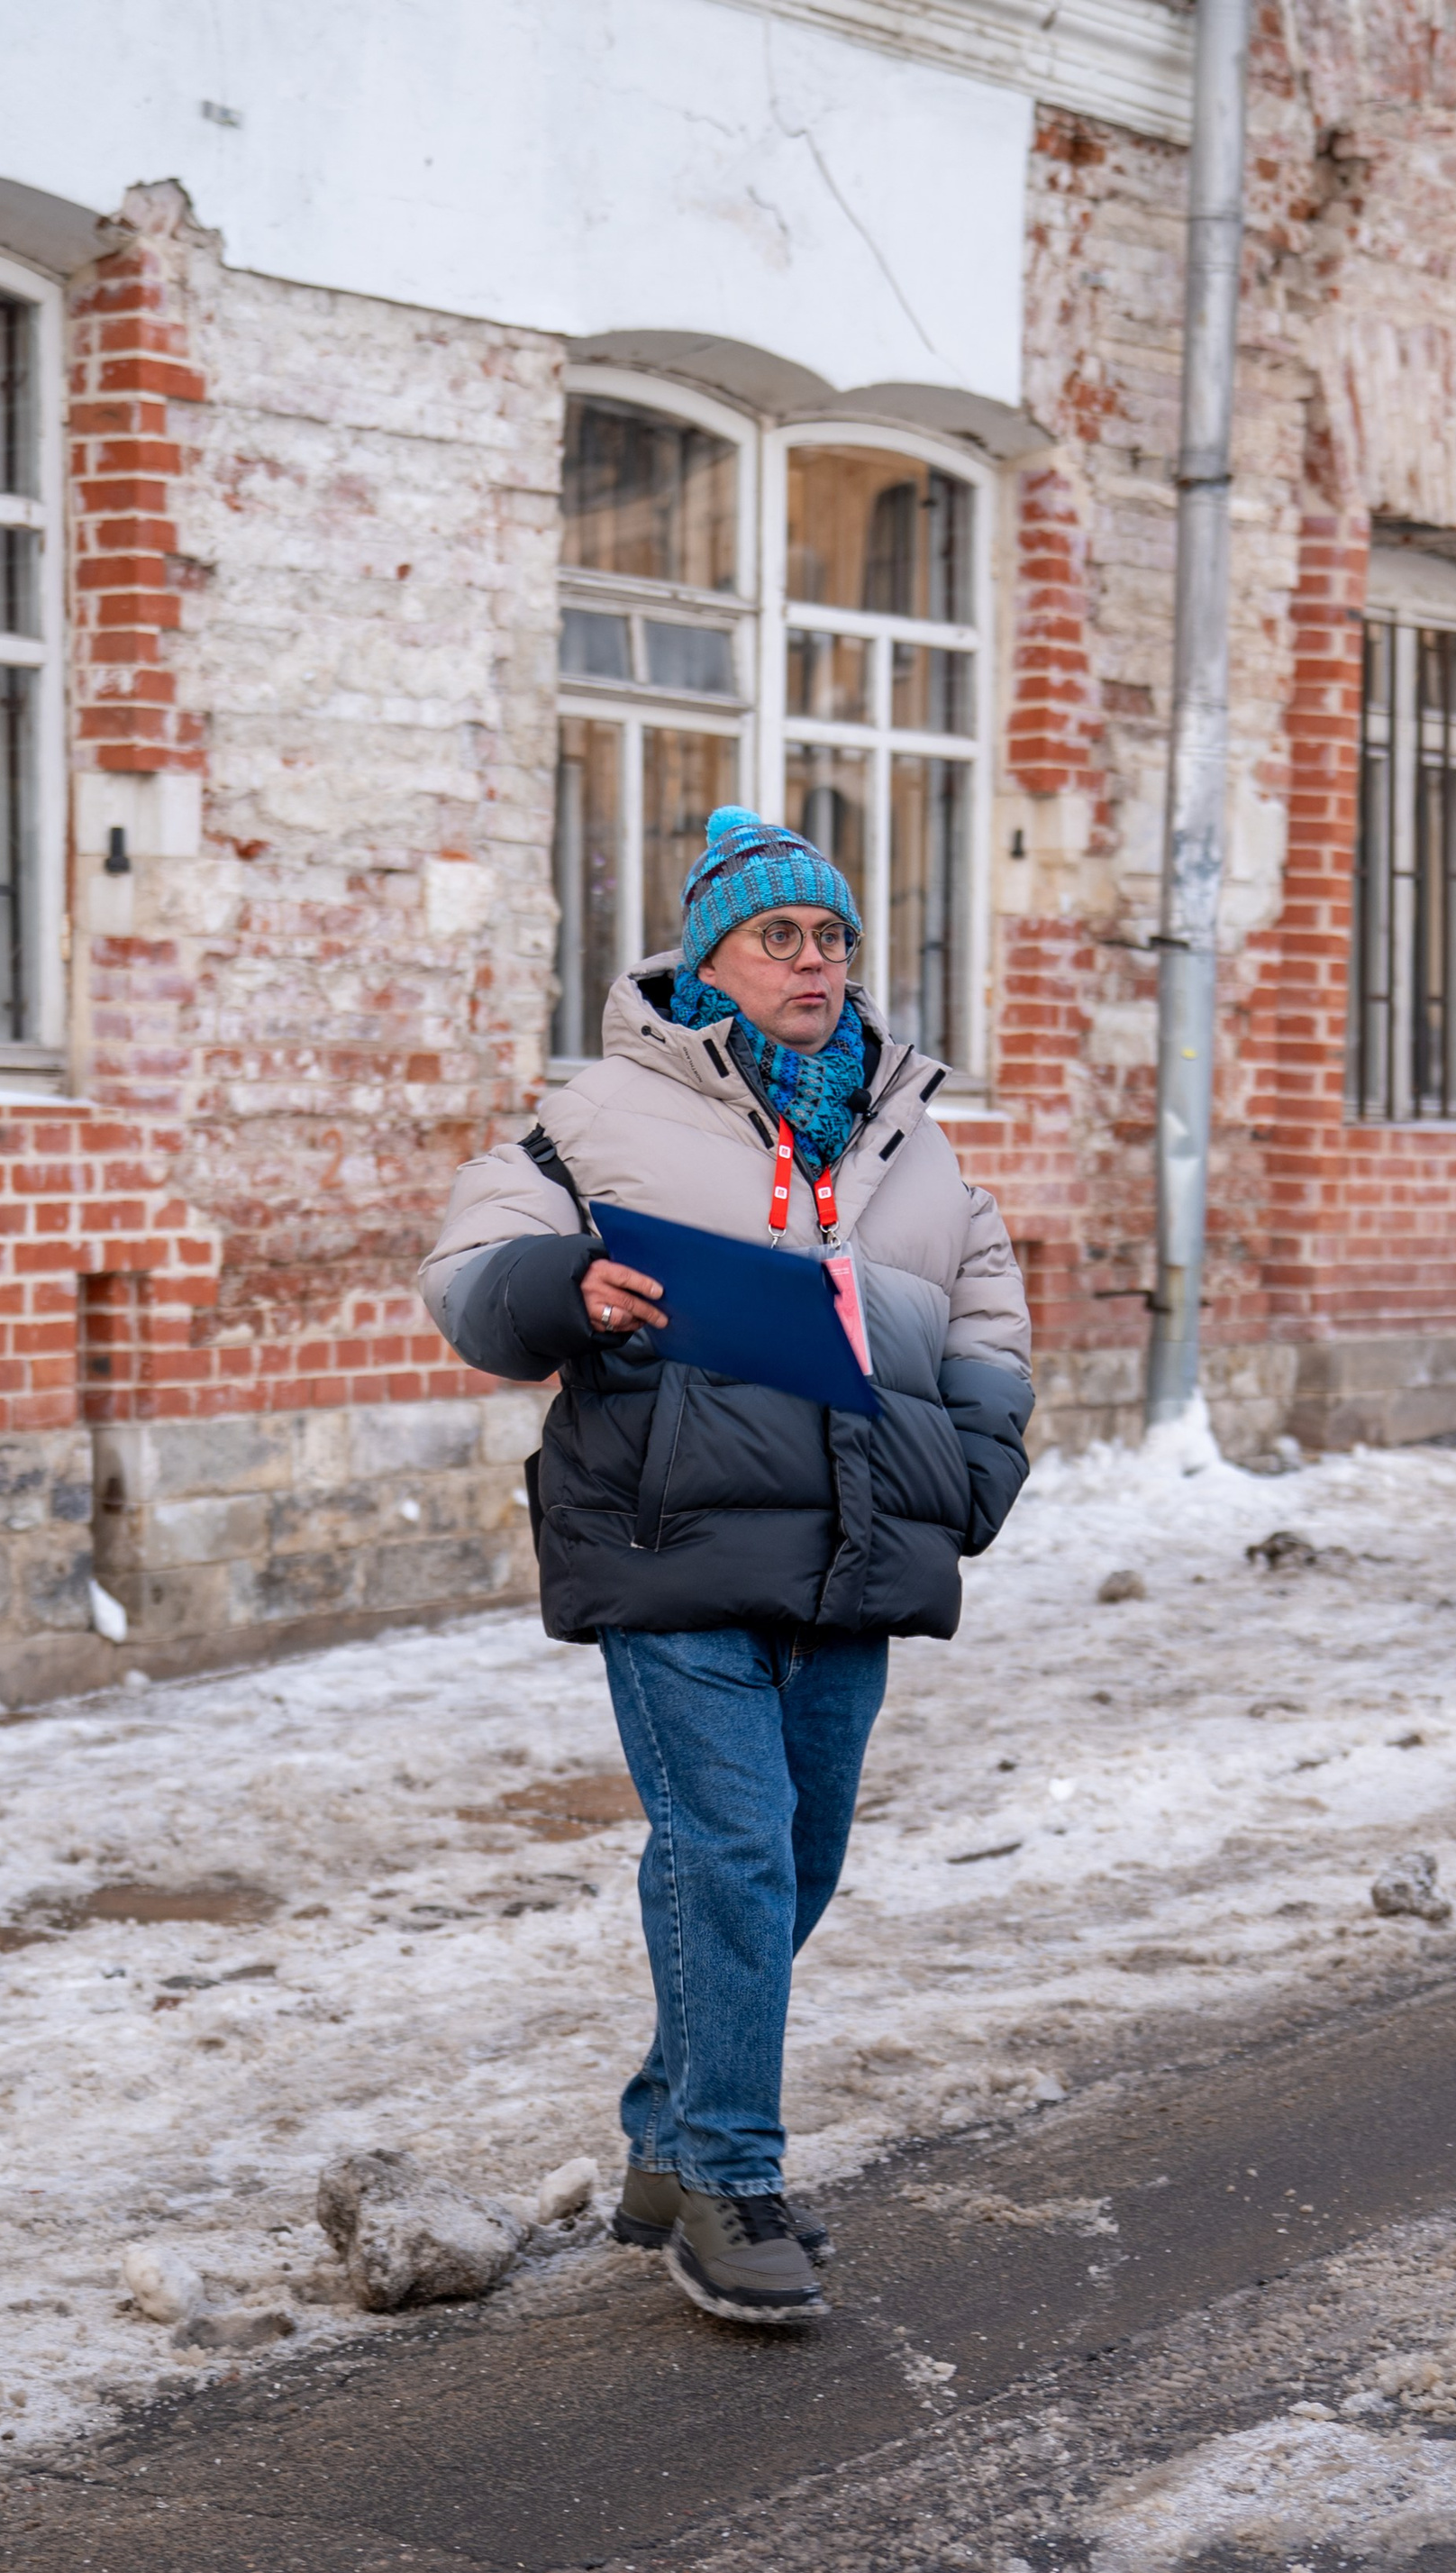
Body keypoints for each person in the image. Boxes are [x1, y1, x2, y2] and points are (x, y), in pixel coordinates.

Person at [419, 807, 1032, 2328]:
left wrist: (980, 1468)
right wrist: (563, 1283)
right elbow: (468, 1276)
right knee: (735, 1845)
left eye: (833, 936)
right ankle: (728, 2187)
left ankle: (663, 2130)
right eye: (782, 936)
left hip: (857, 1543)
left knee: (794, 1853)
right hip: (671, 1532)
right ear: (709, 965)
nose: (816, 960)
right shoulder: (599, 1117)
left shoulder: (910, 1134)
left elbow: (984, 1321)